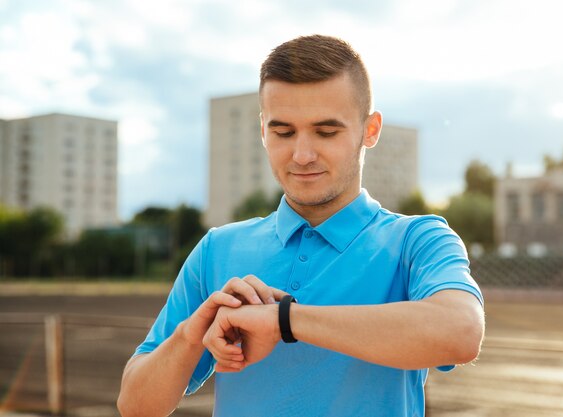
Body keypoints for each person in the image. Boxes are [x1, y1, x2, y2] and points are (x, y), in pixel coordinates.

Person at [117, 34, 484, 417]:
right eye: (283, 132)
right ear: (263, 130)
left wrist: (284, 319)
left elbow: (460, 332)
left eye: (326, 132)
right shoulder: (217, 249)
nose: (303, 154)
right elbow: (135, 406)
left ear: (370, 130)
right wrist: (193, 333)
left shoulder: (418, 239)